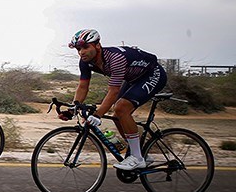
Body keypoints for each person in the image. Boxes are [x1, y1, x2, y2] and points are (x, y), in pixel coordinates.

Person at [65, 28, 167, 171]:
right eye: (78, 49)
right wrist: (72, 109)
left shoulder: (115, 58)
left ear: (97, 45)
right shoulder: (85, 62)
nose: (81, 52)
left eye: (86, 47)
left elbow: (113, 91)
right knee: (117, 116)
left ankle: (137, 158)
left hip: (153, 74)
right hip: (133, 79)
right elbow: (83, 87)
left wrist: (98, 114)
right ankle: (140, 153)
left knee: (121, 108)